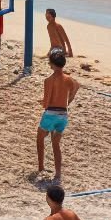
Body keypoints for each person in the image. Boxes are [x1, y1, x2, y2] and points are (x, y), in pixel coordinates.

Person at [37, 50, 79, 180]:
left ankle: (41, 168)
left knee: (39, 139)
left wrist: (42, 102)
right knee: (56, 144)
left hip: (51, 113)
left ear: (52, 64)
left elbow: (47, 102)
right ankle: (58, 174)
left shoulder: (49, 80)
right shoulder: (69, 79)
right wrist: (68, 101)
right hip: (63, 115)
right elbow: (76, 87)